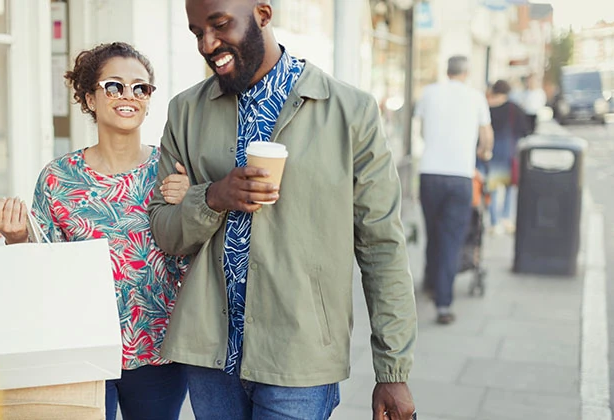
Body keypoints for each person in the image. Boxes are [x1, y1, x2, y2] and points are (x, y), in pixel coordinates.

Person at [147, 1, 417, 419]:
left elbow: (382, 246)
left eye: (219, 25)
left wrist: (393, 369)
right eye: (196, 32)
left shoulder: (350, 112)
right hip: (209, 355)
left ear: (263, 14)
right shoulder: (186, 111)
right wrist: (213, 196)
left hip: (300, 355)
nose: (207, 43)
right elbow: (166, 233)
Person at [0, 42, 190, 420]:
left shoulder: (172, 172)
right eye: (113, 86)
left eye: (140, 87)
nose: (128, 96)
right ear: (89, 98)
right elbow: (43, 269)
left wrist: (189, 205)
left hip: (159, 349)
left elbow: (192, 259)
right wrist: (18, 238)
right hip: (79, 347)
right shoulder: (58, 178)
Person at [414, 55, 494, 325]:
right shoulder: (476, 98)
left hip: (429, 173)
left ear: (446, 71)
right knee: (451, 239)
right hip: (460, 177)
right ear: (467, 72)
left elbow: (422, 131)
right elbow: (487, 136)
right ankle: (443, 304)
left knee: (433, 233)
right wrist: (483, 152)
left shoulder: (429, 93)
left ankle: (430, 282)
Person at [483, 79, 529, 234]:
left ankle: (494, 222)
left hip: (492, 151)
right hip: (510, 152)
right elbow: (525, 129)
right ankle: (506, 218)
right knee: (509, 187)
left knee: (492, 187)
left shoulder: (487, 108)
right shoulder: (513, 108)